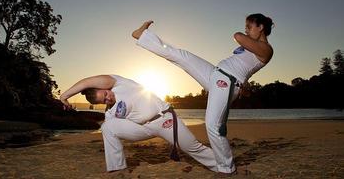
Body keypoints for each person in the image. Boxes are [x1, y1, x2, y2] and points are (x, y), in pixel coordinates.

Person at [132, 13, 274, 174]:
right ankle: (143, 36)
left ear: (261, 27)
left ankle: (227, 169)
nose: (246, 30)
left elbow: (238, 36)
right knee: (181, 56)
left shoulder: (267, 49)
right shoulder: (253, 45)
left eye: (249, 27)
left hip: (226, 83)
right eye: (246, 27)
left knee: (213, 125)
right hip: (216, 73)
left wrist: (243, 35)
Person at [60, 74, 219, 172]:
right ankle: (117, 169)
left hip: (164, 119)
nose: (108, 98)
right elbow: (115, 129)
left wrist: (64, 96)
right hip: (143, 128)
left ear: (105, 87)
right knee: (108, 127)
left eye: (106, 94)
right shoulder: (110, 111)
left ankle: (223, 166)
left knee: (192, 147)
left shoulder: (119, 83)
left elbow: (86, 82)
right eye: (104, 100)